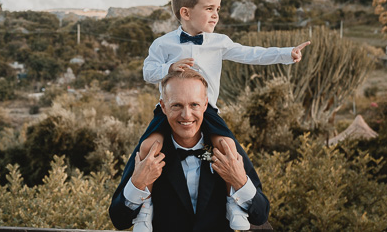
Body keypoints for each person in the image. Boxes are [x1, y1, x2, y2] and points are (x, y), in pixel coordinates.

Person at [135, 0, 308, 230]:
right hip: (170, 110)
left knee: (227, 147)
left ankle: (234, 203)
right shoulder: (162, 44)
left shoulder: (219, 41)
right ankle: (143, 210)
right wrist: (168, 68)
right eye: (209, 8)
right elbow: (148, 72)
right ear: (185, 12)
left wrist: (285, 54)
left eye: (218, 8)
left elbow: (251, 54)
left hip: (208, 110)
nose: (216, 14)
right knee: (148, 147)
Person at [109, 69, 270, 231]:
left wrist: (239, 180)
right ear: (163, 107)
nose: (186, 115)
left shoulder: (225, 147)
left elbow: (260, 214)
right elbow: (119, 220)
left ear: (205, 105)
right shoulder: (149, 152)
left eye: (194, 105)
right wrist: (138, 183)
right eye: (177, 105)